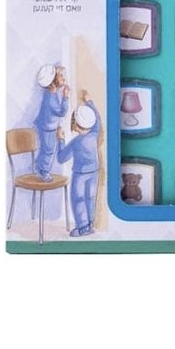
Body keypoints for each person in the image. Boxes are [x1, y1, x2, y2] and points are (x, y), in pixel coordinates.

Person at [56, 91, 100, 236]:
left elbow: (61, 158)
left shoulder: (76, 142)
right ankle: (90, 224)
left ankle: (83, 228)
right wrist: (90, 102)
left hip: (80, 174)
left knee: (78, 200)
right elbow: (97, 121)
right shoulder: (94, 133)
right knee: (90, 198)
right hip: (94, 171)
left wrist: (60, 139)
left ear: (75, 124)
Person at [33, 63, 69, 181]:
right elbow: (62, 112)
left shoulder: (50, 94)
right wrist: (65, 97)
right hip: (47, 128)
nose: (64, 78)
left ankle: (39, 166)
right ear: (53, 82)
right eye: (61, 76)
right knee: (48, 150)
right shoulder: (51, 98)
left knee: (46, 148)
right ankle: (43, 171)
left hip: (46, 126)